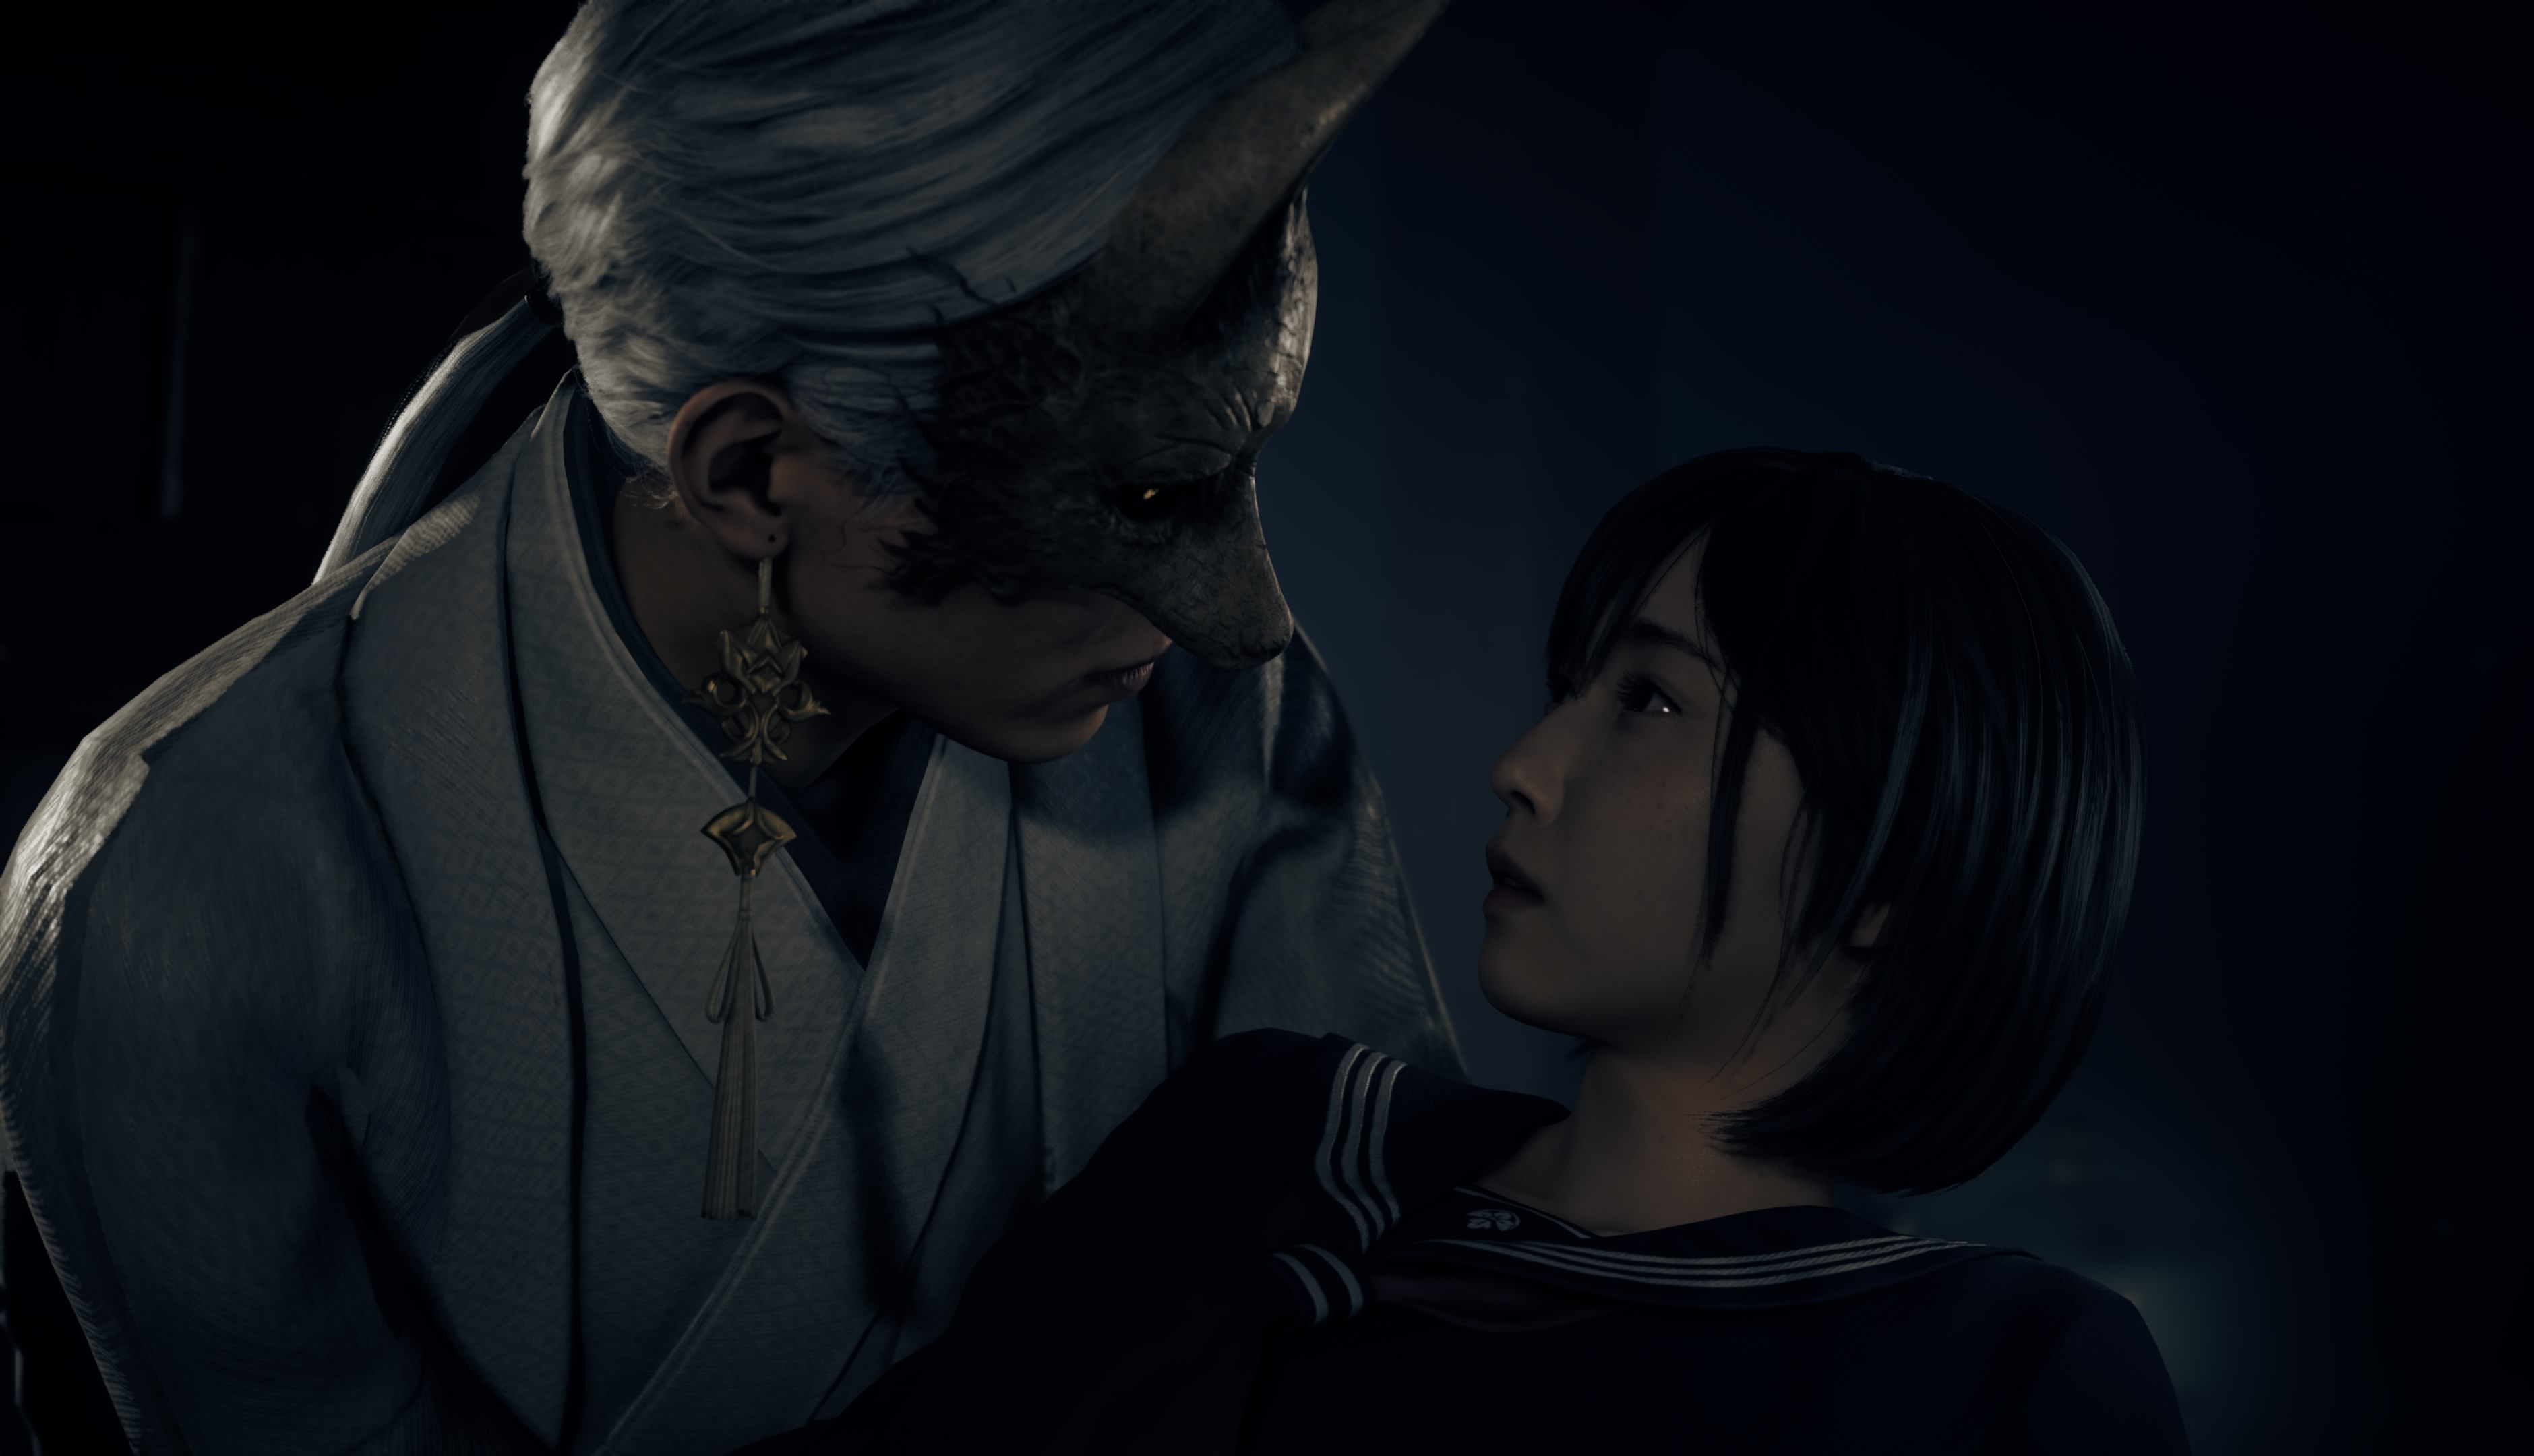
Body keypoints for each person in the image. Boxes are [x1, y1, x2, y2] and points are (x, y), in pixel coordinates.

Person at [0, 2, 1461, 1452]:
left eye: (1239, 472)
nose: (1248, 617)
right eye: (1147, 499)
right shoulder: (185, 876)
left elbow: (1412, 1292)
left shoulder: (1214, 704)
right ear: (753, 472)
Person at [744, 448, 2188, 1455]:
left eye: (1654, 704)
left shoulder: (1994, 1372)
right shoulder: (1273, 1132)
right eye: (1574, 689)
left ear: (1893, 865)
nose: (1526, 766)